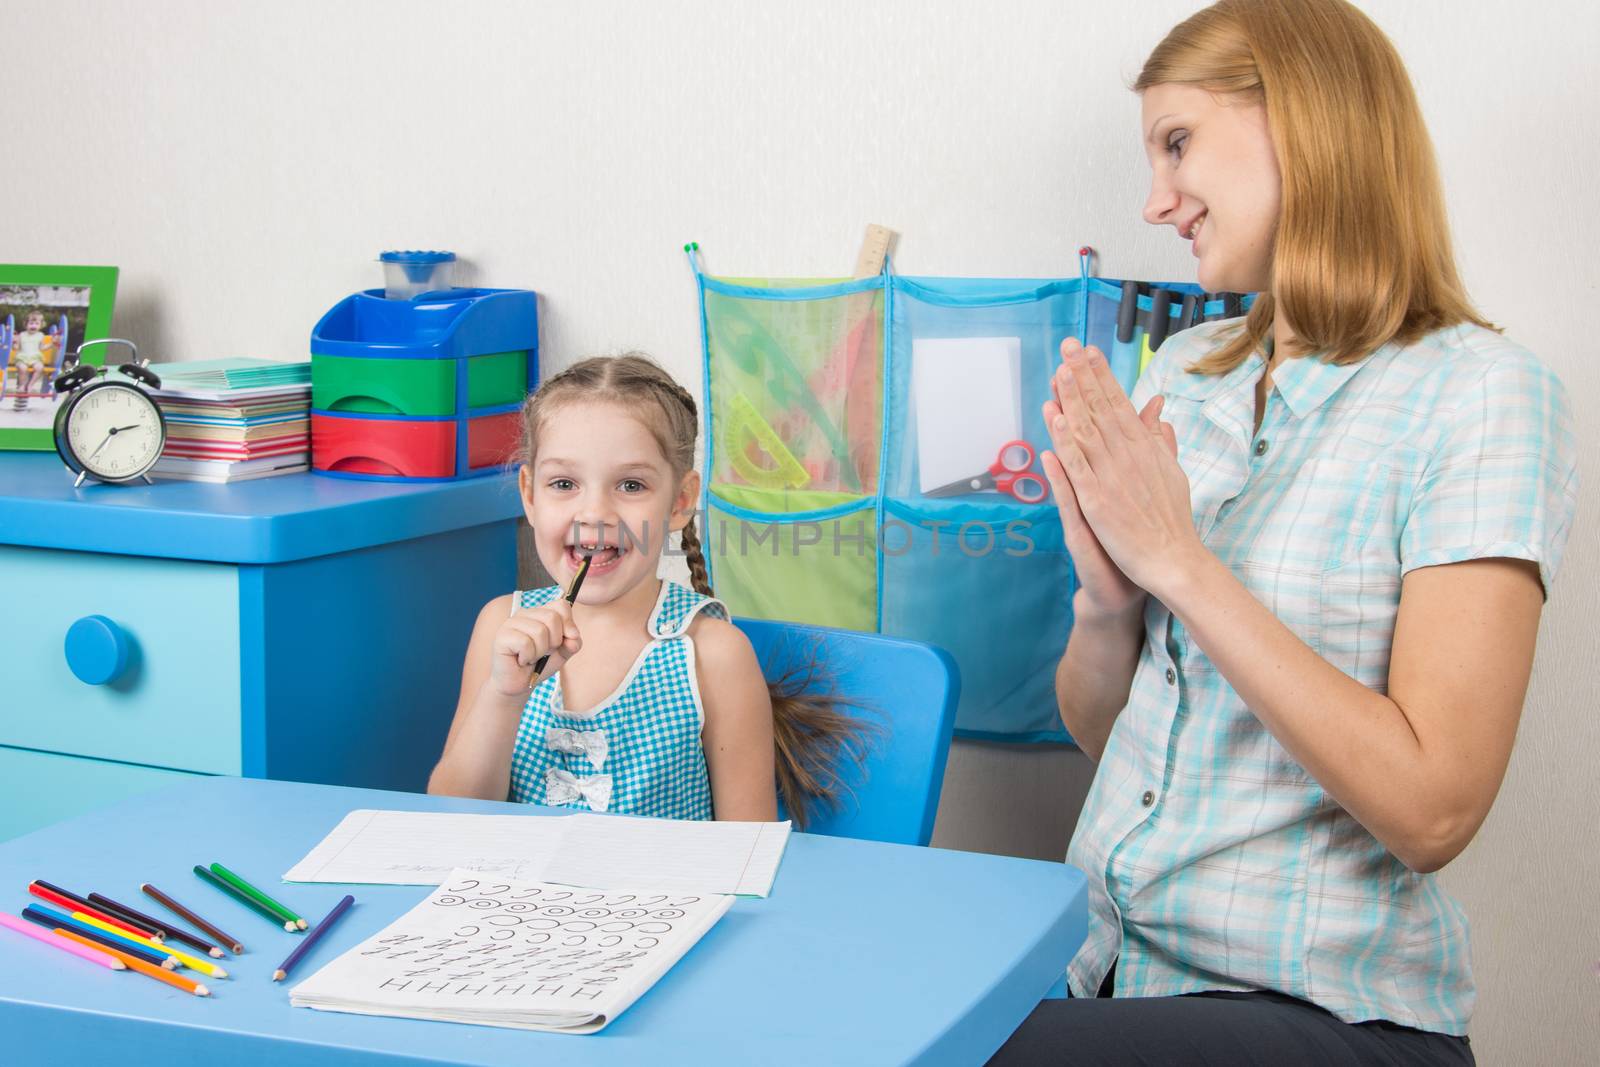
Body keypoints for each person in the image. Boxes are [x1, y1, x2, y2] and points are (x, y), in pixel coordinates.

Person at [990, 0, 1578, 1062]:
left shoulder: (1483, 396)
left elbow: (1433, 809)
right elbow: (1097, 731)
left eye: (1177, 144)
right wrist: (1107, 595)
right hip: (1104, 966)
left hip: (1320, 1009)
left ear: (1304, 125)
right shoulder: (1186, 371)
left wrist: (1178, 558)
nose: (1156, 200)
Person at [428, 353, 863, 825]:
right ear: (530, 494)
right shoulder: (501, 625)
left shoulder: (713, 654)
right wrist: (505, 695)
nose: (594, 513)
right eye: (564, 483)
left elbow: (747, 852)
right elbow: (453, 817)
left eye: (631, 485)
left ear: (679, 502)